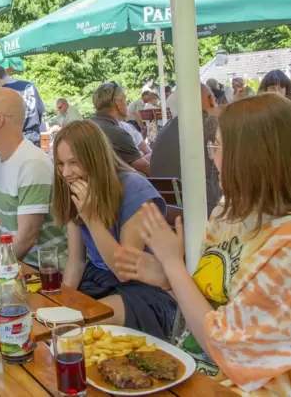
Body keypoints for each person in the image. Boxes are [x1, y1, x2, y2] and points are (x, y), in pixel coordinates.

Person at [116, 94, 291, 394]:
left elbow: (224, 345)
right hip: (192, 373)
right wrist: (169, 280)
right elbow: (211, 307)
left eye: (218, 146)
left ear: (250, 157)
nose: (212, 156)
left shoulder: (284, 246)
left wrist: (174, 265)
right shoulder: (227, 213)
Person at [53, 120, 176, 339]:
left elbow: (124, 271)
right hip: (100, 278)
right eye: (60, 164)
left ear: (95, 159)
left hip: (145, 287)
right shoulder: (75, 190)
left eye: (74, 162)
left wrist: (91, 219)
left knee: (80, 325)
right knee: (58, 323)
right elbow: (76, 261)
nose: (66, 172)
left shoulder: (133, 188)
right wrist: (59, 303)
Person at [0, 88, 63, 267]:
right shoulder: (0, 158)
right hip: (16, 266)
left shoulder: (31, 163)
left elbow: (27, 238)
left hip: (44, 273)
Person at [150, 84, 221, 214]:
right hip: (203, 212)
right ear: (211, 100)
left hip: (169, 212)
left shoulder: (164, 130)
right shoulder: (213, 127)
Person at [90, 82, 150, 175]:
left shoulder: (86, 126)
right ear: (118, 103)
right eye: (125, 100)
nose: (127, 104)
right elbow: (145, 168)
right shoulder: (118, 133)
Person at [0, 63, 46, 143]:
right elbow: (41, 112)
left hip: (16, 139)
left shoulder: (3, 93)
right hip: (35, 136)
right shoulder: (30, 86)